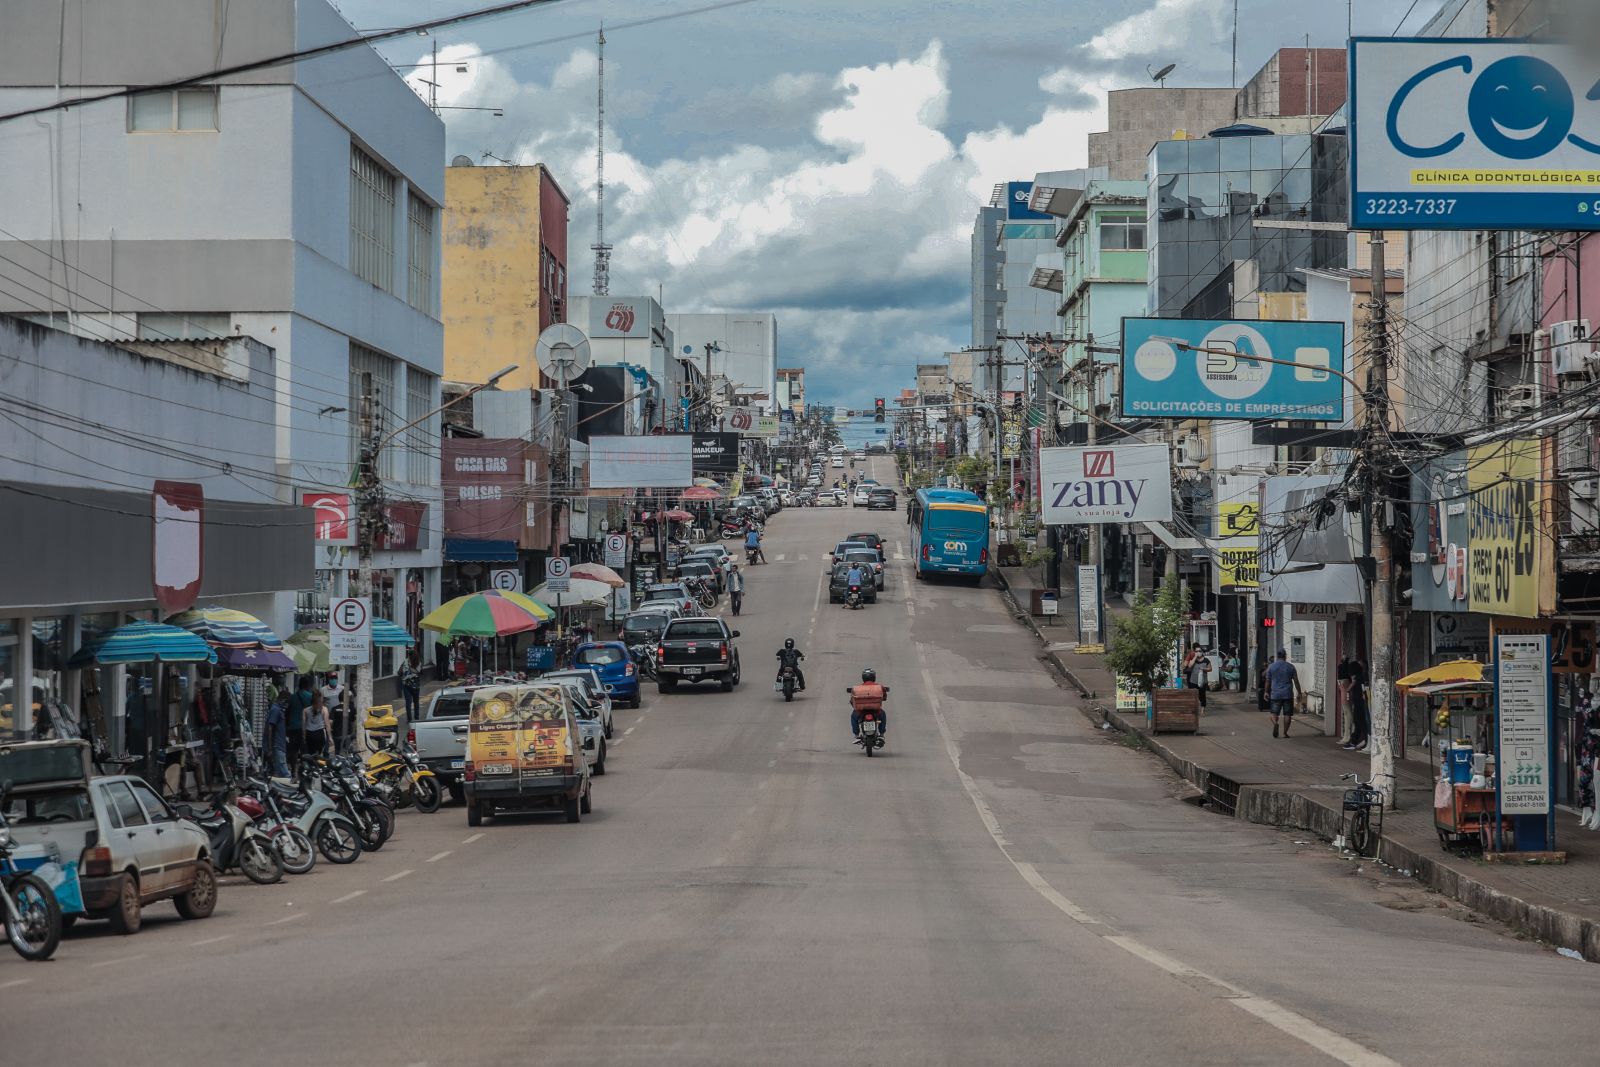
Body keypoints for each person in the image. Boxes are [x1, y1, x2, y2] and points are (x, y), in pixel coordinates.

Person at [1265, 648, 1303, 739]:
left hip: (1275, 694)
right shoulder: (1290, 667)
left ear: (1277, 656)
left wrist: (1266, 692)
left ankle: (1276, 723)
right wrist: (1299, 692)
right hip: (1287, 694)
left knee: (1274, 714)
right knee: (1287, 714)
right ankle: (1285, 733)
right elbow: (1296, 680)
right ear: (1285, 656)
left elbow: (1268, 681)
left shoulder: (1271, 667)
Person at [1339, 654, 1370, 752]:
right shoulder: (1361, 676)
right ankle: (1357, 740)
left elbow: (1354, 683)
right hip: (1360, 701)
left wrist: (1347, 689)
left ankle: (1362, 740)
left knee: (1360, 720)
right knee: (1358, 721)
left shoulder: (1360, 676)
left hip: (1361, 701)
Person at [847, 667, 889, 738]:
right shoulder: (879, 687)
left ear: (863, 678)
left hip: (860, 711)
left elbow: (852, 700)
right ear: (874, 677)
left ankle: (856, 734)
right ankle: (881, 734)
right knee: (883, 715)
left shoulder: (858, 688)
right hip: (876, 711)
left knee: (853, 717)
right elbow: (884, 696)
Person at [262, 691, 289, 777]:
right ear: (284, 700)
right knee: (285, 774)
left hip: (279, 745)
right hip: (277, 746)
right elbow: (269, 728)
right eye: (287, 702)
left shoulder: (278, 709)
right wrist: (270, 749)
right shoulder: (276, 710)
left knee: (278, 773)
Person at [321, 671, 347, 752]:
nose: (333, 680)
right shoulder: (323, 690)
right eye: (332, 678)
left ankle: (341, 751)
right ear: (328, 679)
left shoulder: (342, 688)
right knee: (328, 736)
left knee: (340, 737)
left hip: (340, 717)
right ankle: (326, 753)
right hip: (329, 718)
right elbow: (322, 703)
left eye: (335, 678)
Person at [303, 686, 329, 757]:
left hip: (309, 734)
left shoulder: (305, 710)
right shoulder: (324, 709)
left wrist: (304, 737)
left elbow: (304, 726)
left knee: (311, 754)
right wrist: (330, 737)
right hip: (320, 734)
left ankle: (312, 766)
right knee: (319, 754)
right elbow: (327, 725)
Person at [399, 652, 422, 724]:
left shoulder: (405, 662)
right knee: (416, 702)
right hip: (416, 686)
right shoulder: (419, 663)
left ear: (409, 656)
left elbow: (399, 672)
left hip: (406, 685)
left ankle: (409, 719)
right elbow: (420, 672)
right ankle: (417, 718)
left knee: (408, 702)